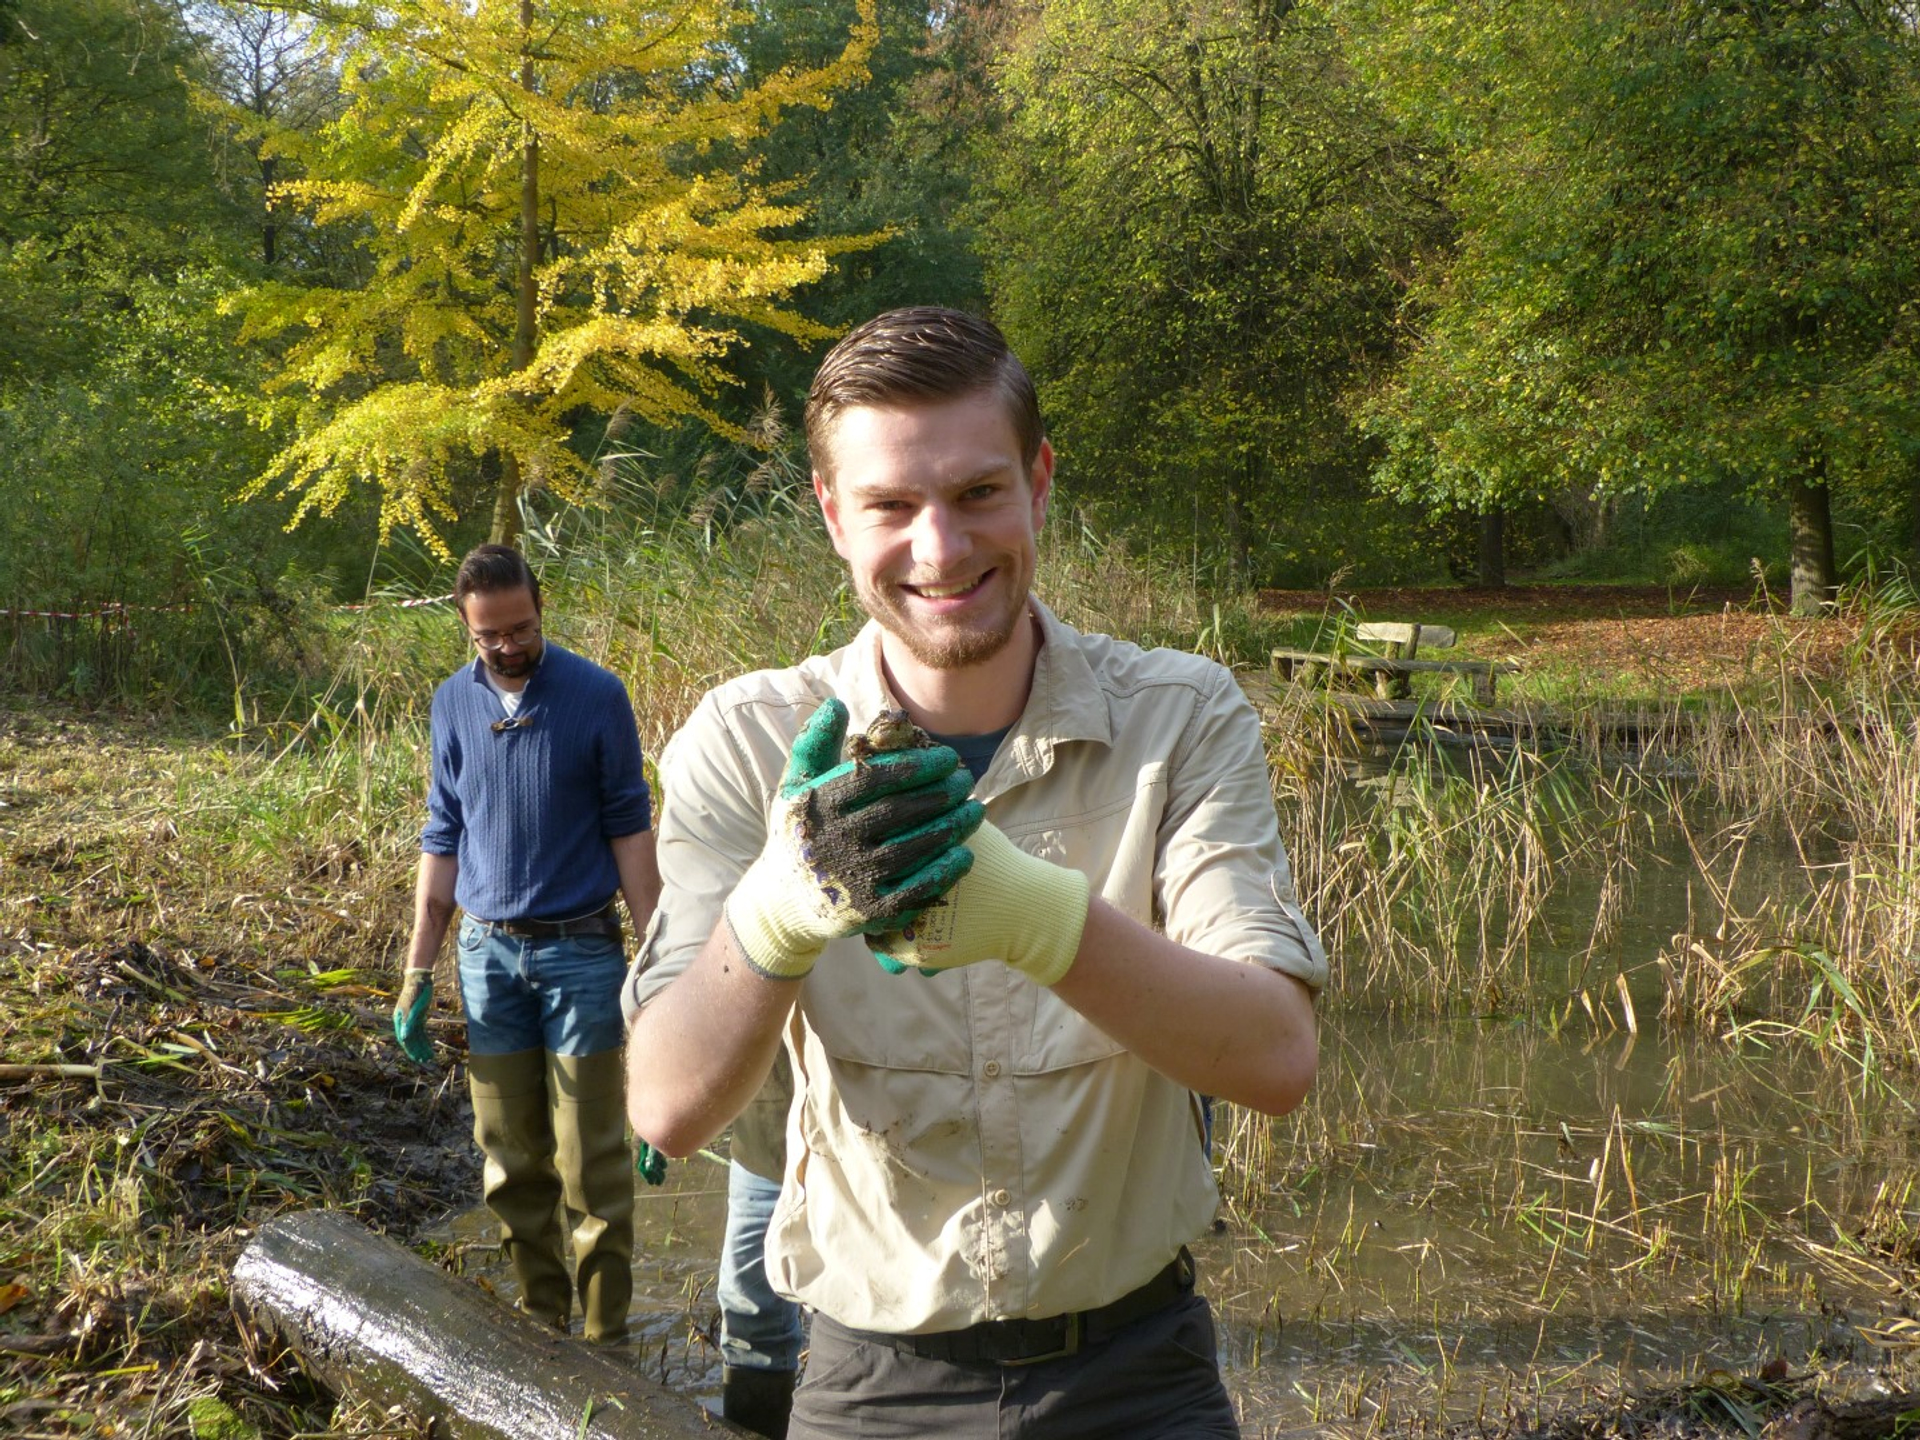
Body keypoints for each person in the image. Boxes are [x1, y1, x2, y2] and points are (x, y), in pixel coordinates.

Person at [624, 307, 1325, 1437]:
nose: (941, 549)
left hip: (1143, 1375)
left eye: (979, 493)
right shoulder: (745, 740)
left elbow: (1276, 1060)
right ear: (831, 515)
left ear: (1040, 483)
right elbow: (663, 1106)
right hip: (869, 1387)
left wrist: (1038, 920)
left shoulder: (1183, 716)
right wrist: (779, 915)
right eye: (892, 505)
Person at [392, 542, 660, 1345]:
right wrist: (416, 973)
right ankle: (542, 1325)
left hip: (581, 955)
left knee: (591, 1164)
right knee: (510, 1161)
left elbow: (633, 844)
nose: (508, 646)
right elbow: (443, 837)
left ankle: (607, 1341)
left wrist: (659, 980)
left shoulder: (596, 697)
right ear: (466, 628)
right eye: (489, 636)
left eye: (521, 627)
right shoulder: (451, 704)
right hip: (488, 959)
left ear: (541, 610)